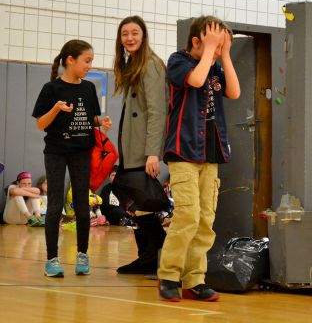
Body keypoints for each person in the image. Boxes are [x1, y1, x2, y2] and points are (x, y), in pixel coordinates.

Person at [157, 16, 240, 302]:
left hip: (210, 152)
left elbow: (234, 91)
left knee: (205, 219)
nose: (217, 50)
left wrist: (225, 54)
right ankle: (169, 275)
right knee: (187, 215)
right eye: (214, 44)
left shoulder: (216, 65)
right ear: (196, 42)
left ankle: (194, 279)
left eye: (220, 46)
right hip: (183, 151)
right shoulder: (178, 61)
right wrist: (208, 51)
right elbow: (195, 80)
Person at [32, 39, 112, 278]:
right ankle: (52, 259)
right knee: (55, 205)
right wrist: (56, 108)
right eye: (87, 61)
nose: (89, 65)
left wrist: (102, 122)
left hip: (82, 151)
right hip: (56, 152)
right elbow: (40, 124)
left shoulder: (88, 88)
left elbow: (90, 119)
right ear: (70, 60)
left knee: (82, 204)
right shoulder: (51, 89)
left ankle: (82, 254)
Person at [113, 15, 168, 274]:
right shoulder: (132, 65)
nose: (130, 38)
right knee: (137, 203)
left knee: (144, 202)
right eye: (125, 34)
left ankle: (154, 256)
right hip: (129, 148)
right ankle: (147, 256)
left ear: (143, 35)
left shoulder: (152, 65)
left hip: (143, 150)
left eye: (135, 33)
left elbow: (157, 112)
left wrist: (152, 154)